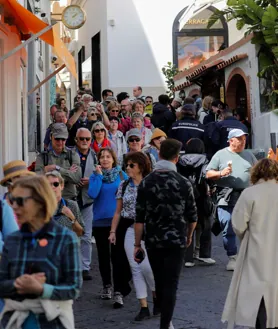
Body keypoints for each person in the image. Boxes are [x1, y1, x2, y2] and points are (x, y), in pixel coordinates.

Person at [0, 176, 82, 329]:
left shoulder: (65, 239)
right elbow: (2, 284)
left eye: (20, 201)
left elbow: (74, 288)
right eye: (11, 200)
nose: (13, 206)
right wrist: (20, 284)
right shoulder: (12, 241)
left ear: (39, 201)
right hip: (15, 322)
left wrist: (42, 290)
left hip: (54, 323)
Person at [134, 139, 198, 329]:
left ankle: (165, 321)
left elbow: (139, 218)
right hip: (177, 240)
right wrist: (188, 236)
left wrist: (137, 244)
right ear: (176, 158)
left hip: (154, 240)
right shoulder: (184, 183)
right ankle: (165, 323)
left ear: (159, 155)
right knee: (171, 283)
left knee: (160, 281)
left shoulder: (146, 182)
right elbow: (193, 216)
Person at [222, 159, 278, 329]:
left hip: (256, 248)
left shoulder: (250, 193)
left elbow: (238, 224)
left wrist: (246, 236)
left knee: (258, 292)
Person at [109, 152, 158, 321]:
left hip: (148, 229)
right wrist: (113, 232)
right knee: (136, 267)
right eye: (127, 165)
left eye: (132, 165)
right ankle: (143, 306)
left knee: (148, 268)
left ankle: (156, 295)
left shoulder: (151, 184)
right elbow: (117, 212)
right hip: (128, 228)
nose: (128, 168)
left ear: (141, 167)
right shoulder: (123, 185)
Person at [206, 128, 257, 271]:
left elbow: (258, 172)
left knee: (251, 227)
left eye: (244, 138)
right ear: (230, 140)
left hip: (247, 195)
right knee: (228, 225)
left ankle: (250, 257)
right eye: (239, 139)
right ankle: (232, 256)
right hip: (226, 196)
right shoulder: (220, 155)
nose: (242, 141)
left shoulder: (249, 155)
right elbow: (208, 173)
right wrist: (221, 173)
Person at [88, 148, 130, 308]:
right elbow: (92, 194)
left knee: (118, 256)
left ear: (113, 159)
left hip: (118, 222)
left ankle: (119, 288)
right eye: (102, 157)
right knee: (103, 256)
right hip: (100, 221)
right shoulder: (95, 176)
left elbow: (129, 194)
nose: (105, 159)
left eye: (108, 157)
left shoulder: (121, 175)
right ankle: (107, 286)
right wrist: (98, 176)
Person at [177, 138, 215, 267]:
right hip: (201, 194)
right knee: (205, 224)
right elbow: (207, 176)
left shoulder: (180, 160)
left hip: (184, 195)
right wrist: (212, 187)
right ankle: (204, 254)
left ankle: (188, 258)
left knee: (187, 225)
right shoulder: (204, 160)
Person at [35, 123, 82, 200]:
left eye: (63, 139)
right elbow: (37, 179)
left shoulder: (73, 155)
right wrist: (67, 172)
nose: (60, 142)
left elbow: (76, 178)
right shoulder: (43, 157)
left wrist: (56, 168)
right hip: (48, 199)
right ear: (51, 137)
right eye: (57, 139)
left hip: (68, 199)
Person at [75, 128, 97, 280]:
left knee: (86, 236)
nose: (84, 141)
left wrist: (91, 180)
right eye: (81, 138)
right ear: (76, 140)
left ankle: (85, 267)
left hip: (88, 200)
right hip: (72, 201)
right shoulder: (70, 154)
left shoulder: (95, 155)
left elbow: (101, 175)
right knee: (72, 235)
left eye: (87, 139)